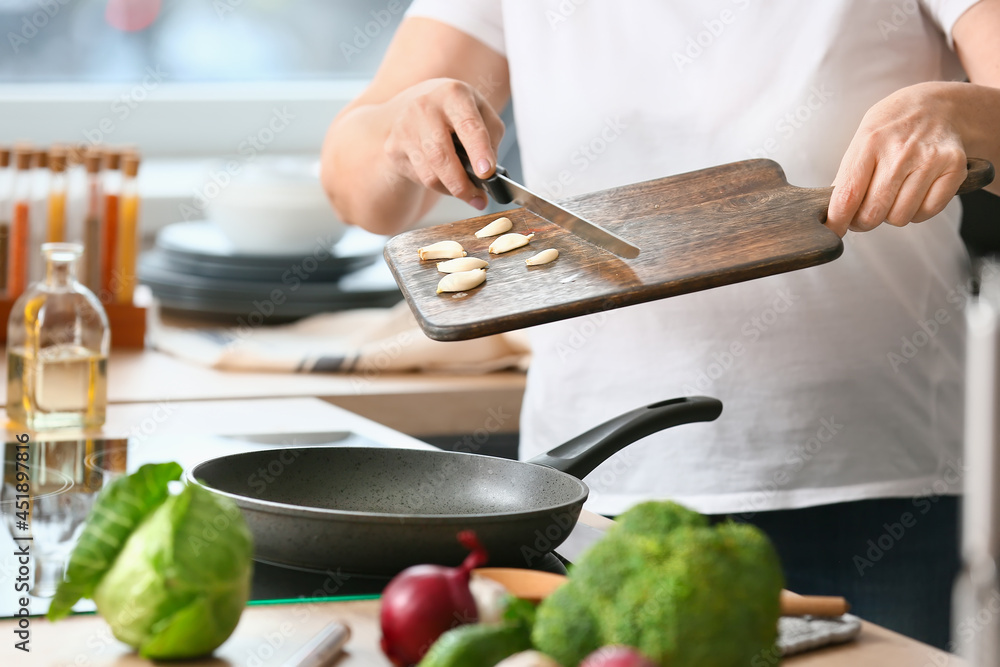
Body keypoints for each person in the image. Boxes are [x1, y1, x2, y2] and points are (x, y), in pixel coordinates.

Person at [321, 0, 1000, 649]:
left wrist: (958, 113)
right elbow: (354, 186)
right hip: (597, 489)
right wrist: (399, 131)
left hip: (874, 485)